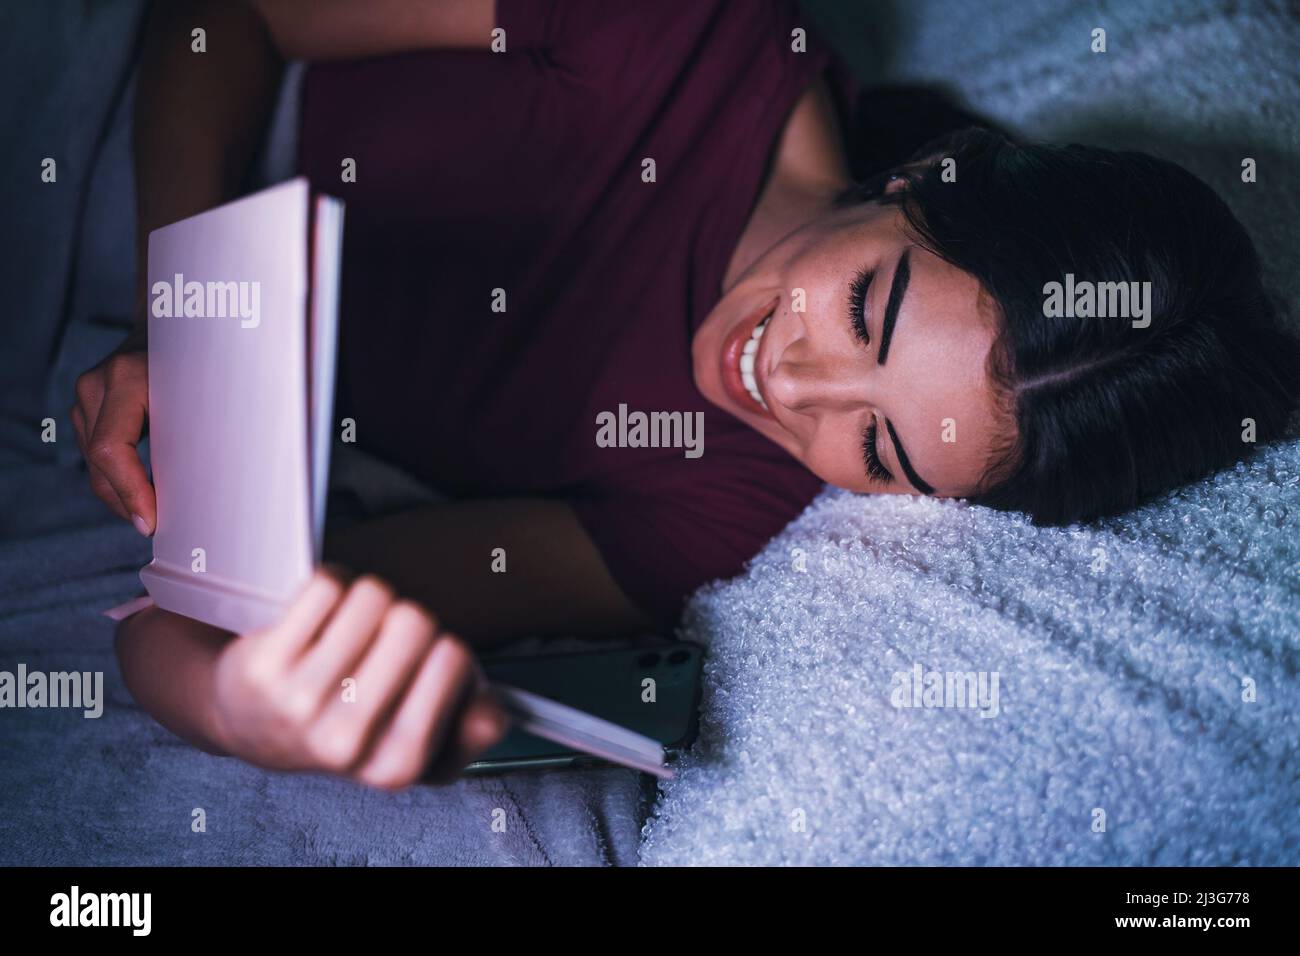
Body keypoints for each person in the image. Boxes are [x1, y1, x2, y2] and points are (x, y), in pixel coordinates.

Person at [72, 0, 1300, 788]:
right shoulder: (690, 35)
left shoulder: (729, 504)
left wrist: (251, 710)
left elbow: (204, 619)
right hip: (153, 121)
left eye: (879, 448)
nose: (793, 387)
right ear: (920, 179)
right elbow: (219, 22)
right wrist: (191, 312)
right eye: (866, 306)